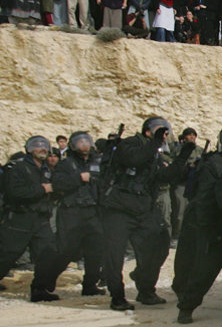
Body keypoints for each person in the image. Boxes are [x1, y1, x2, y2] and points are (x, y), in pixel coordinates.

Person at [101, 117, 195, 310]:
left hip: (144, 207)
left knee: (159, 245)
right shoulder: (130, 144)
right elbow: (134, 159)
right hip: (120, 207)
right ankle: (117, 297)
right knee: (115, 255)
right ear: (147, 132)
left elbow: (166, 176)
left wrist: (183, 157)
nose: (165, 136)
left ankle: (145, 288)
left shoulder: (156, 153)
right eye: (161, 132)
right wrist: (155, 142)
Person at [173, 124, 222, 323]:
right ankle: (186, 308)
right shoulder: (213, 164)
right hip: (216, 227)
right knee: (203, 273)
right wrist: (209, 229)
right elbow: (204, 201)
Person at [46, 131, 105, 296]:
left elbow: (107, 181)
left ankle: (90, 285)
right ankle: (48, 280)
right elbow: (57, 184)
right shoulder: (66, 164)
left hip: (94, 211)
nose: (84, 145)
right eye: (80, 142)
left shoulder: (99, 162)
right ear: (73, 145)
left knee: (95, 250)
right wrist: (79, 178)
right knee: (66, 250)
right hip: (72, 212)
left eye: (86, 141)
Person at [0, 137, 60, 300]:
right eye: (37, 146)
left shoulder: (47, 170)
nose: (41, 149)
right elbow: (14, 192)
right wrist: (42, 189)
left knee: (47, 253)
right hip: (19, 218)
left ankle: (39, 290)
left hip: (40, 219)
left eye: (44, 147)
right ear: (28, 149)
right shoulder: (17, 167)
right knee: (7, 255)